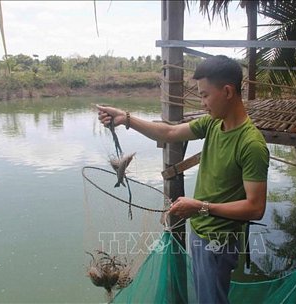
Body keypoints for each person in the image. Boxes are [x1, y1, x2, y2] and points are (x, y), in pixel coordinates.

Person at [97, 55, 269, 303]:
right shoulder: (213, 124)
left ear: (228, 91)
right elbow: (170, 132)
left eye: (205, 95)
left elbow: (255, 208)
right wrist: (127, 119)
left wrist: (199, 206)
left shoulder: (251, 144)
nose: (202, 102)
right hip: (200, 231)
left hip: (218, 242)